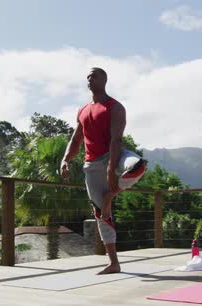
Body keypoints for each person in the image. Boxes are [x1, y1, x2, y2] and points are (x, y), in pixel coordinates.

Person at [61, 67, 146, 275]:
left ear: (104, 80)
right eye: (88, 76)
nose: (90, 79)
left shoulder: (115, 107)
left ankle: (111, 195)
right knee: (101, 214)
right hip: (91, 165)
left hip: (115, 155)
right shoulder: (82, 110)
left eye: (94, 76)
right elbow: (76, 139)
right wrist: (66, 159)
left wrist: (111, 171)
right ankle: (114, 262)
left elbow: (116, 140)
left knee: (138, 166)